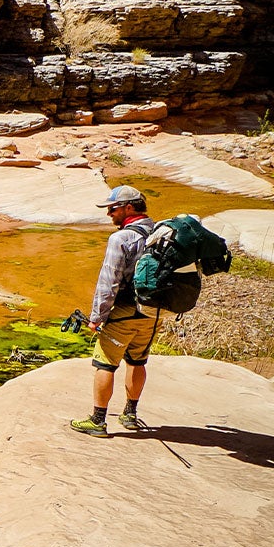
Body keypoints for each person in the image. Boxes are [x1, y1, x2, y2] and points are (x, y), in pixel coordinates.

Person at [71, 185, 159, 436]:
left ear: (129, 208)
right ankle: (130, 415)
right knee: (137, 361)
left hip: (124, 312)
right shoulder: (162, 232)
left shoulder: (121, 238)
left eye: (113, 208)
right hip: (153, 314)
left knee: (105, 364)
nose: (109, 213)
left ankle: (98, 421)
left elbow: (108, 281)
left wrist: (97, 317)